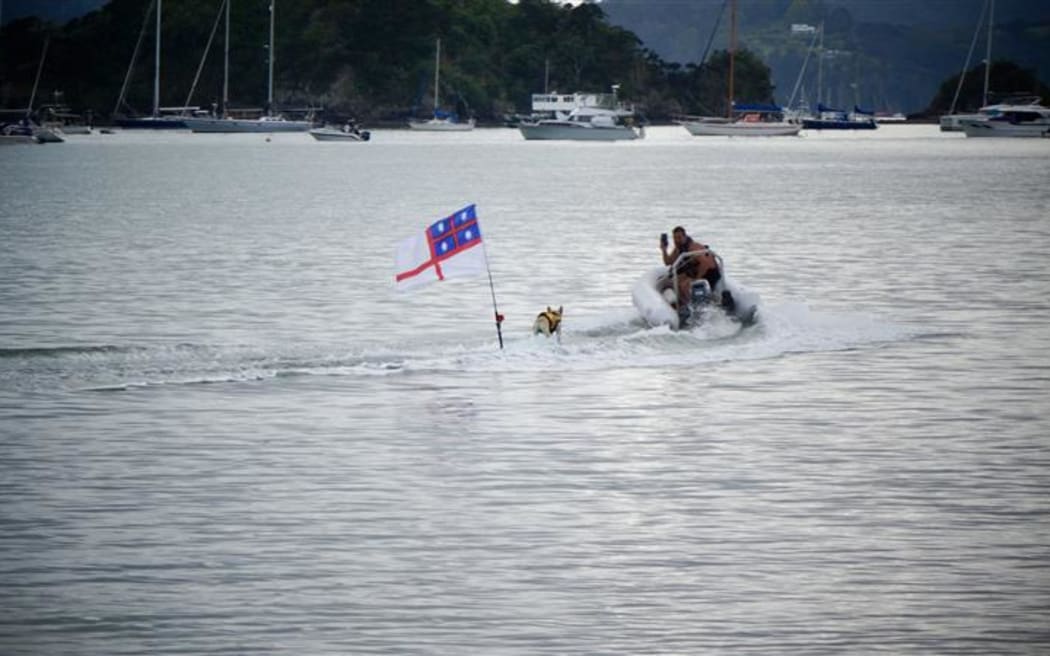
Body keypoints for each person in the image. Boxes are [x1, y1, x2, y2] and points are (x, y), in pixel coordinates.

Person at [660, 226, 721, 307]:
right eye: (675, 238)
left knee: (684, 285)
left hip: (710, 273)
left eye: (679, 237)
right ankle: (683, 304)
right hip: (698, 272)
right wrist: (664, 250)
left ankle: (689, 305)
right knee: (675, 281)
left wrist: (695, 279)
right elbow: (668, 262)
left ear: (685, 237)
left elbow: (706, 264)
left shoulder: (693, 247)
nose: (677, 240)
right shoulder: (679, 248)